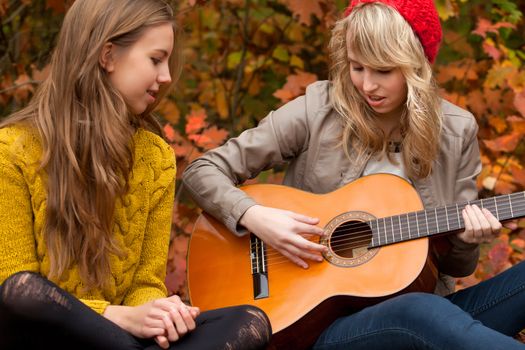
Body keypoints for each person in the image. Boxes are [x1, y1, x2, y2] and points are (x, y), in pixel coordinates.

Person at [182, 0, 525, 348]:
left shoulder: (455, 130)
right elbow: (203, 170)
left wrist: (466, 241)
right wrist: (254, 216)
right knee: (415, 311)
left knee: (427, 310)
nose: (367, 85)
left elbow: (456, 267)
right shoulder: (318, 108)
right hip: (318, 325)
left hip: (431, 318)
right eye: (357, 67)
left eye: (383, 71)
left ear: (416, 65)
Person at [0, 0, 272, 349]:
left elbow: (145, 280)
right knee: (25, 291)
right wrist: (114, 315)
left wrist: (157, 312)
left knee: (248, 321)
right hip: (41, 336)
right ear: (108, 55)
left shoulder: (155, 158)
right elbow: (14, 292)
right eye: (156, 60)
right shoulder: (12, 150)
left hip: (119, 340)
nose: (167, 76)